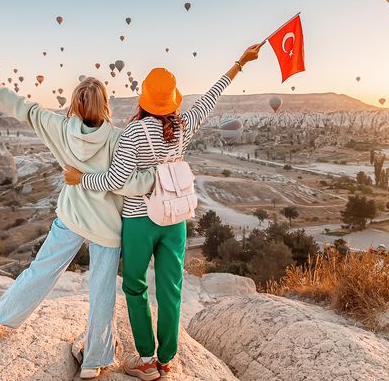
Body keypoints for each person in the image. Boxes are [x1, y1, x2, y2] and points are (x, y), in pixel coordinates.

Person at [63, 43, 262, 380]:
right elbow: (212, 97)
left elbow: (116, 179)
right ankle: (166, 360)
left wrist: (81, 178)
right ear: (172, 99)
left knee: (136, 288)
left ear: (143, 99)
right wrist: (240, 62)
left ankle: (145, 360)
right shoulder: (183, 126)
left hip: (141, 221)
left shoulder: (132, 134)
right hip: (176, 220)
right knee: (171, 290)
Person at [0, 64, 154, 380]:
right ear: (105, 105)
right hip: (106, 227)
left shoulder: (61, 128)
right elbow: (130, 181)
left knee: (42, 271)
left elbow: (24, 109)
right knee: (102, 289)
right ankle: (94, 360)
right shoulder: (119, 139)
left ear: (75, 104)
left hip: (71, 218)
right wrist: (152, 178)